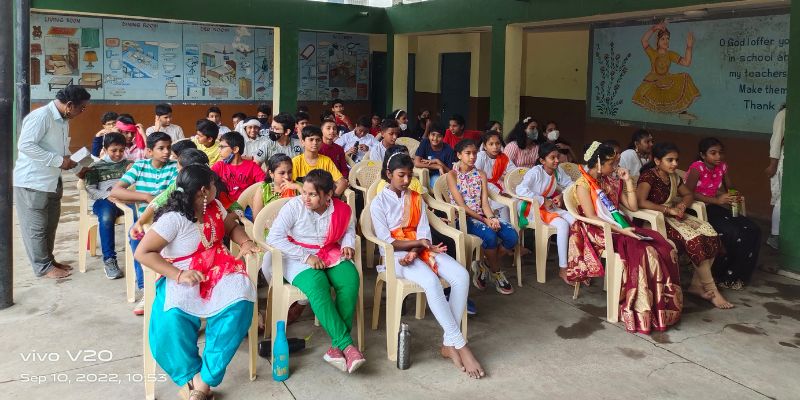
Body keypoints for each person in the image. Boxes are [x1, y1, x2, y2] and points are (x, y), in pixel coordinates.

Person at [134, 164, 260, 400]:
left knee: (240, 302)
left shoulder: (215, 206)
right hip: (181, 272)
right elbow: (143, 252)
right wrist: (179, 275)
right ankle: (191, 375)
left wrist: (245, 242)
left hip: (219, 265)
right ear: (203, 190)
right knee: (170, 321)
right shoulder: (173, 218)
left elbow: (231, 227)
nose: (216, 188)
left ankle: (204, 380)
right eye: (213, 185)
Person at [371, 151, 484, 379]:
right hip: (396, 257)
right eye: (401, 175)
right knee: (432, 283)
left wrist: (416, 249)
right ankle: (461, 345)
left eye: (409, 175)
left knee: (461, 276)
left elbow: (423, 232)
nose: (406, 180)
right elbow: (387, 241)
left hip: (421, 250)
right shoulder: (378, 203)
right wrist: (413, 248)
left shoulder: (416, 198)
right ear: (388, 174)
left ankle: (448, 343)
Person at [567, 142, 682, 334]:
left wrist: (627, 181)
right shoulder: (583, 185)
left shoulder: (609, 181)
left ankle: (662, 307)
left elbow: (633, 207)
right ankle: (642, 309)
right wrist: (623, 231)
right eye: (611, 164)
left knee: (663, 246)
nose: (615, 168)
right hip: (597, 230)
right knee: (645, 252)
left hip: (619, 226)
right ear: (599, 164)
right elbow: (592, 217)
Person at [266, 169, 366, 373]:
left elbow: (348, 228)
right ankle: (346, 344)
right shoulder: (294, 206)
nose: (306, 198)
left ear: (328, 195)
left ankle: (336, 348)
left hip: (329, 251)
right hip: (296, 255)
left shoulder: (341, 209)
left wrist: (348, 244)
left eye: (312, 194)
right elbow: (274, 238)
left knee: (350, 279)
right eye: (304, 192)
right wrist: (306, 257)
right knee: (317, 284)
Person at [636, 142, 733, 309]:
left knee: (710, 233)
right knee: (695, 239)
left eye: (676, 160)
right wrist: (668, 210)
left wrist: (682, 205)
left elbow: (688, 194)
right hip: (654, 220)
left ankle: (696, 285)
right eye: (670, 160)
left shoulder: (673, 177)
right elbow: (641, 202)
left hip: (674, 216)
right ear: (657, 161)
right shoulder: (648, 177)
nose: (675, 164)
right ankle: (711, 289)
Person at [14, 85, 91, 279]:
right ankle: (42, 266)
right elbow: (25, 145)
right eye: (81, 107)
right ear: (70, 105)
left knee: (50, 225)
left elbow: (63, 153)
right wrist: (58, 161)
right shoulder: (41, 117)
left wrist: (77, 170)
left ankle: (49, 260)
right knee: (36, 227)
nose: (83, 111)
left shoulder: (63, 120)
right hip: (33, 182)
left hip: (52, 181)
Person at [111, 132, 178, 315]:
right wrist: (146, 197)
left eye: (168, 148)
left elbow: (173, 195)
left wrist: (155, 200)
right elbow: (116, 191)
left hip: (167, 219)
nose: (166, 152)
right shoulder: (140, 166)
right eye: (161, 148)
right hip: (145, 221)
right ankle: (146, 290)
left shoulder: (174, 167)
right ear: (149, 151)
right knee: (137, 241)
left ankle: (164, 289)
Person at [685, 138, 761, 289]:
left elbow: (730, 187)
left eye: (720, 153)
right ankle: (721, 274)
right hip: (697, 209)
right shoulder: (697, 168)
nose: (718, 156)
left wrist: (734, 196)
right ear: (703, 155)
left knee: (753, 229)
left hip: (714, 208)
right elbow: (688, 193)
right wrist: (716, 200)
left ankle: (737, 276)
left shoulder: (722, 167)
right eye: (713, 153)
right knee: (733, 232)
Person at [447, 139, 518, 295]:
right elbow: (462, 206)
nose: (472, 157)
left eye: (474, 153)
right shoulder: (452, 175)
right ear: (459, 155)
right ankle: (496, 272)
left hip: (482, 215)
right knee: (490, 236)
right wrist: (485, 220)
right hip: (463, 218)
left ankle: (484, 265)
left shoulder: (481, 174)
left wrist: (492, 218)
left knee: (512, 235)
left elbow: (485, 203)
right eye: (468, 153)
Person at [517, 143, 575, 282]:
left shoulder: (557, 171)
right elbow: (520, 190)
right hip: (531, 207)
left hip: (547, 206)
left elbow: (571, 185)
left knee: (575, 221)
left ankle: (577, 263)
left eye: (557, 157)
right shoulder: (535, 172)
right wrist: (542, 200)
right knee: (562, 225)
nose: (557, 160)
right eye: (552, 157)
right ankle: (563, 268)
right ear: (542, 160)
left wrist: (561, 196)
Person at [82, 132, 132, 279]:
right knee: (106, 217)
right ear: (104, 149)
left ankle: (141, 258)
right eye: (113, 150)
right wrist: (108, 195)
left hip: (127, 200)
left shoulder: (130, 164)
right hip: (104, 201)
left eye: (121, 150)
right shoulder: (95, 167)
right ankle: (109, 260)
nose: (118, 154)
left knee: (144, 212)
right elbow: (91, 190)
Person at [131, 149, 211, 239]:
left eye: (179, 169)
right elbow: (157, 202)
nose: (177, 172)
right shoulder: (177, 185)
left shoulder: (210, 185)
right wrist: (140, 222)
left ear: (189, 172)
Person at [632, 22, 699, 115]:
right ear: (658, 41)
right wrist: (655, 28)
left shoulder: (670, 54)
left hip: (667, 80)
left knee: (685, 77)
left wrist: (689, 47)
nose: (666, 41)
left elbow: (686, 63)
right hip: (653, 82)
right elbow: (644, 41)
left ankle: (681, 112)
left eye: (667, 38)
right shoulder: (653, 53)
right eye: (663, 39)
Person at [212, 131, 266, 210]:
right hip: (225, 208)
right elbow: (208, 181)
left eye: (222, 147)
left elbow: (264, 184)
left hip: (247, 206)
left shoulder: (252, 166)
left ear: (235, 149)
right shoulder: (219, 166)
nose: (219, 150)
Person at [292, 126, 348, 196]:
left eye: (318, 140)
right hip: (301, 199)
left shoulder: (326, 161)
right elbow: (289, 184)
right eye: (311, 140)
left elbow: (342, 182)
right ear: (302, 142)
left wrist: (331, 197)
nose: (315, 143)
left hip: (323, 200)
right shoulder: (296, 162)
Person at [475, 130, 516, 223]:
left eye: (497, 143)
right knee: (504, 204)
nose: (495, 147)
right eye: (491, 144)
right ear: (485, 146)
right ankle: (506, 226)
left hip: (498, 189)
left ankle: (514, 227)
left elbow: (514, 172)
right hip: (483, 190)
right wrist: (498, 192)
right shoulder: (481, 156)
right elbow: (477, 178)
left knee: (516, 201)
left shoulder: (503, 157)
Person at [252, 154, 298, 221]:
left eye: (290, 172)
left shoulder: (298, 187)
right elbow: (257, 220)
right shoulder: (263, 190)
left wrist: (298, 188)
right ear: (271, 174)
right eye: (282, 173)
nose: (287, 177)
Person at [766, 106, 784, 250]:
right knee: (782, 198)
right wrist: (773, 164)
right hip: (786, 161)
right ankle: (775, 236)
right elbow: (776, 140)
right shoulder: (784, 114)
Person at [414, 123, 455, 187]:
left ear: (443, 137)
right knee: (436, 180)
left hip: (443, 176)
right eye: (433, 135)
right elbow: (416, 163)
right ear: (428, 135)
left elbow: (451, 172)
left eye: (439, 136)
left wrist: (438, 161)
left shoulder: (448, 149)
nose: (435, 138)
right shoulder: (425, 143)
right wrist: (437, 166)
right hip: (427, 175)